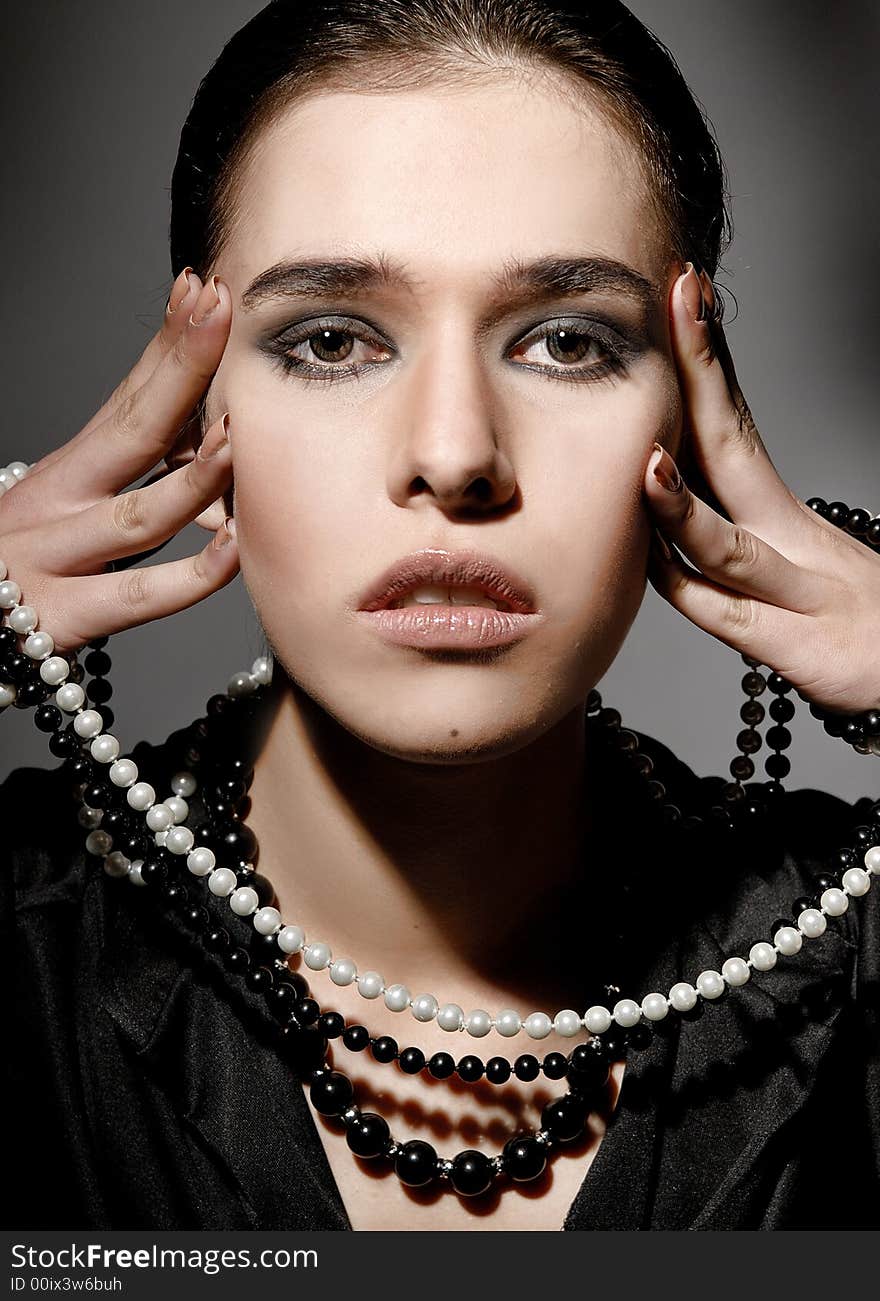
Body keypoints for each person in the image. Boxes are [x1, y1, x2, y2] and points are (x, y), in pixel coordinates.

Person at [2, 0, 879, 1233]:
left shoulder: (840, 944)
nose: (455, 454)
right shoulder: (33, 949)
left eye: (568, 341)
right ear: (199, 408)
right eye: (331, 340)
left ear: (685, 408)